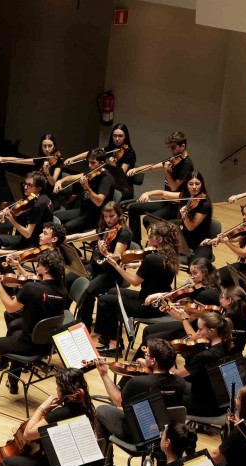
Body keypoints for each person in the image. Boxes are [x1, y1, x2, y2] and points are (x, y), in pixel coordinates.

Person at [0, 249, 70, 400]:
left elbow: (10, 307)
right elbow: (39, 286)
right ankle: (13, 382)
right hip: (48, 344)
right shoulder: (62, 289)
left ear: (46, 269)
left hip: (29, 345)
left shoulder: (31, 289)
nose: (36, 268)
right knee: (15, 331)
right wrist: (19, 269)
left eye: (39, 265)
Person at [94, 338, 187, 466]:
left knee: (101, 410)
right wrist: (150, 370)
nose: (145, 357)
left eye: (147, 355)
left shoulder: (137, 382)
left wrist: (104, 374)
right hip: (165, 436)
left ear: (153, 361)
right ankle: (162, 463)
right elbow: (160, 383)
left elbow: (118, 400)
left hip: (138, 435)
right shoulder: (180, 383)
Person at [93, 221, 181, 352]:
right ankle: (109, 335)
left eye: (150, 237)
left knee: (105, 300)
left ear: (160, 239)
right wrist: (135, 265)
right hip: (159, 301)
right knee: (112, 291)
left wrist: (116, 266)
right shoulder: (170, 254)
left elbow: (134, 282)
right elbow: (154, 269)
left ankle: (113, 345)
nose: (148, 239)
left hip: (148, 305)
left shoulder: (151, 258)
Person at [64, 201, 131, 331]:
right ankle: (64, 316)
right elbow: (81, 236)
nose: (108, 219)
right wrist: (63, 238)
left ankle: (85, 325)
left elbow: (116, 257)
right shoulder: (104, 229)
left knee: (88, 290)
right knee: (68, 279)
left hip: (110, 272)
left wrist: (104, 252)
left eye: (111, 216)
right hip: (95, 267)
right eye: (105, 216)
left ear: (119, 215)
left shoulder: (124, 234)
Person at [125, 131, 194, 245]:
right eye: (170, 148)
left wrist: (167, 171)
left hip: (177, 207)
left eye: (174, 147)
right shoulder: (173, 159)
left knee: (147, 220)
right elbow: (152, 167)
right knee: (133, 208)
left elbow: (173, 187)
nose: (171, 151)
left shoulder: (186, 165)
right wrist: (137, 170)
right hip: (166, 202)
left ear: (183, 146)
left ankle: (156, 245)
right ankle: (136, 245)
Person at [0, 171, 54, 279]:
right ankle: (5, 274)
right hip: (27, 239)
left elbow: (28, 234)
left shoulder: (38, 205)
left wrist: (12, 221)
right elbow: (11, 211)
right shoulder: (34, 198)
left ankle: (10, 282)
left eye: (29, 185)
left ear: (39, 188)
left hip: (35, 244)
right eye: (25, 184)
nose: (25, 187)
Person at [173, 312, 236, 416]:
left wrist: (164, 362)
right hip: (222, 401)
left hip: (206, 406)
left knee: (165, 399)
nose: (197, 333)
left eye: (200, 329)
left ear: (211, 331)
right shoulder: (227, 345)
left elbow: (179, 374)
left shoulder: (206, 355)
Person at [53, 148, 115, 233]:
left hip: (95, 216)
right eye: (89, 162)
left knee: (66, 227)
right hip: (83, 211)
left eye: (93, 163)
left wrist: (87, 188)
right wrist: (60, 181)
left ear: (102, 163)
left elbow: (99, 201)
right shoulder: (92, 172)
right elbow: (72, 177)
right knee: (55, 217)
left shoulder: (106, 179)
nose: (89, 165)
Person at [0, 133, 65, 204]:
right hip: (38, 192)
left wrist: (46, 172)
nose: (47, 149)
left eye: (50, 146)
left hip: (50, 196)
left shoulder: (58, 161)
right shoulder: (41, 160)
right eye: (44, 146)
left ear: (54, 146)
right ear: (41, 147)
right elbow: (19, 160)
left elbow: (53, 183)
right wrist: (2, 158)